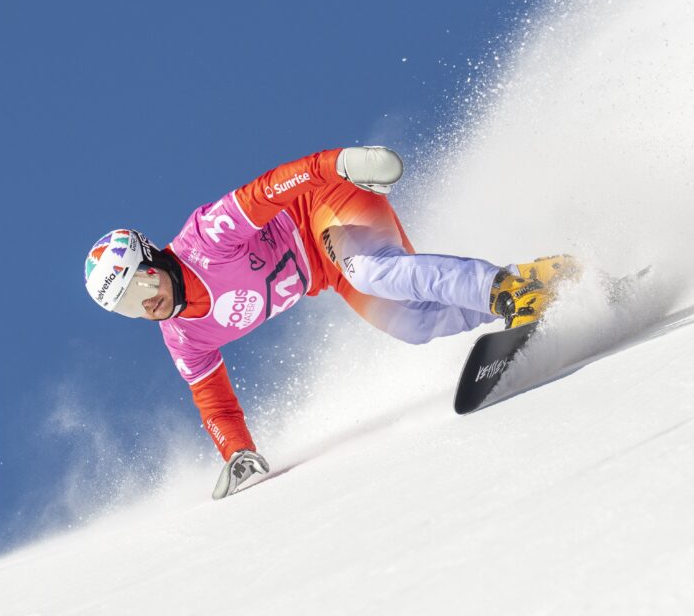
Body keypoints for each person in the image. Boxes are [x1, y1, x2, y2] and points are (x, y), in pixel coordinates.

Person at [83, 147, 576, 499]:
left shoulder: (205, 239)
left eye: (141, 288)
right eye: (127, 307)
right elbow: (213, 400)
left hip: (324, 204)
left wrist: (340, 163)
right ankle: (542, 281)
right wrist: (238, 453)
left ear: (154, 261)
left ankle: (510, 292)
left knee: (374, 271)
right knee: (411, 324)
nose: (145, 306)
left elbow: (268, 190)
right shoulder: (183, 336)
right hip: (326, 272)